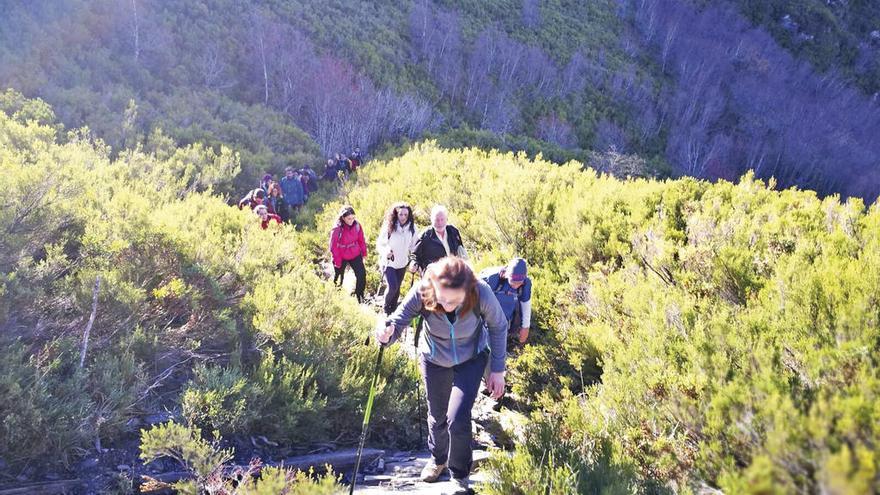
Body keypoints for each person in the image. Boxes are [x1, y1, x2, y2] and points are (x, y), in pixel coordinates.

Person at [375, 257, 507, 494]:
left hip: (471, 359)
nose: (447, 304)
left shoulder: (480, 292)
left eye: (454, 300)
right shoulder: (423, 291)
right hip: (435, 359)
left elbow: (498, 326)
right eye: (443, 298)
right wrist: (387, 333)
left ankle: (459, 474)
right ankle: (438, 460)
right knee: (437, 416)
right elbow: (399, 320)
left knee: (458, 417)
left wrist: (497, 369)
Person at [376, 202, 418, 315]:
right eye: (401, 214)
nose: (403, 217)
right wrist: (386, 251)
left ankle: (393, 310)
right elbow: (380, 244)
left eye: (405, 214)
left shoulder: (413, 228)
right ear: (396, 214)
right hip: (388, 263)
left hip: (402, 263)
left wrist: (415, 260)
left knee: (397, 288)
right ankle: (386, 309)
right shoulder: (389, 226)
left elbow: (414, 246)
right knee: (393, 287)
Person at [480, 258, 533, 345]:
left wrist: (525, 327)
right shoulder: (491, 279)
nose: (515, 286)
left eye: (519, 283)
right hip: (485, 320)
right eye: (512, 282)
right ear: (507, 275)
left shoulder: (526, 284)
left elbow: (526, 304)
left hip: (503, 322)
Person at [328, 205, 368, 303]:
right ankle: (336, 298)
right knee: (339, 277)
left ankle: (360, 297)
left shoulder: (357, 225)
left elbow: (361, 240)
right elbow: (333, 246)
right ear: (343, 218)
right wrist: (337, 261)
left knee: (361, 275)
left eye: (353, 218)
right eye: (349, 218)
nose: (351, 221)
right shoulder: (337, 228)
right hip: (341, 255)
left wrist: (364, 253)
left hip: (354, 253)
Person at [411, 205, 468, 272]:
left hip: (454, 272)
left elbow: (460, 249)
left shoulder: (453, 231)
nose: (440, 223)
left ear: (446, 219)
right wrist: (413, 264)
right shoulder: (424, 236)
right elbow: (415, 256)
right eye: (437, 220)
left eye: (442, 219)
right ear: (431, 220)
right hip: (435, 276)